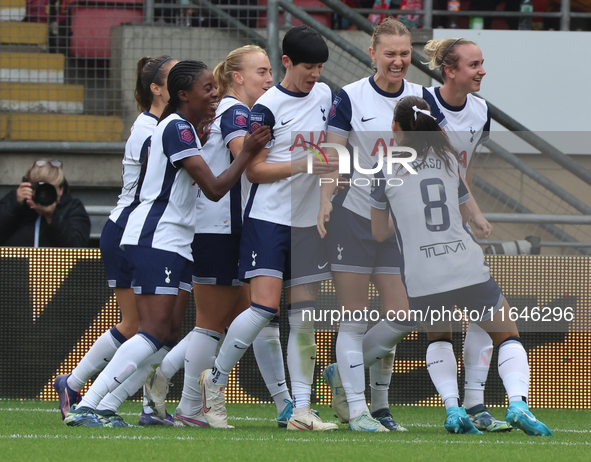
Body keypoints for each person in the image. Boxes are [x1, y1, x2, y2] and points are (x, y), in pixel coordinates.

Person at [64, 60, 271, 427]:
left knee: (167, 332)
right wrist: (248, 151)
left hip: (172, 240)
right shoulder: (176, 128)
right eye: (207, 89)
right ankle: (88, 403)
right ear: (182, 95)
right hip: (156, 237)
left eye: (215, 87)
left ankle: (109, 404)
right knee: (153, 330)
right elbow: (215, 188)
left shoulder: (183, 128)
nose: (215, 94)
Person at [369, 95, 552, 436]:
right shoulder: (448, 158)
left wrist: (403, 219)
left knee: (439, 337)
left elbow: (379, 233)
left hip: (422, 270)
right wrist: (479, 221)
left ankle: (454, 410)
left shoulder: (383, 166)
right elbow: (464, 202)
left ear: (395, 128)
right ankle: (517, 403)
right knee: (507, 334)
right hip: (463, 261)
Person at [199, 25, 339, 431]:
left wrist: (327, 197)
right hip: (269, 219)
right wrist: (303, 165)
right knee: (262, 309)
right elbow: (255, 172)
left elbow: (328, 149)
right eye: (308, 67)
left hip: (307, 222)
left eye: (320, 67)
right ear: (286, 63)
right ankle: (215, 382)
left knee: (303, 317)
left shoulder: (326, 95)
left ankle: (300, 409)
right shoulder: (267, 107)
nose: (315, 74)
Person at [151, 45, 295, 428]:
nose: (269, 79)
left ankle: (283, 403)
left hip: (231, 228)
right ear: (238, 77)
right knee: (212, 324)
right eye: (262, 72)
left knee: (258, 318)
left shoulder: (234, 111)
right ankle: (189, 405)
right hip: (219, 229)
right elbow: (244, 158)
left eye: (269, 71)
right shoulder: (235, 111)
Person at [317, 17, 445, 432]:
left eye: (405, 54)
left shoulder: (424, 97)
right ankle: (361, 410)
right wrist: (324, 201)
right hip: (354, 219)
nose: (398, 61)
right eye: (390, 53)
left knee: (403, 314)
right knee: (353, 317)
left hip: (400, 226)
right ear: (372, 53)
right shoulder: (350, 97)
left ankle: (343, 373)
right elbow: (332, 154)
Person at [53, 56, 179, 426]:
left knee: (155, 327)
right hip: (131, 228)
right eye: (175, 78)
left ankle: (88, 391)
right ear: (156, 88)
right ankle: (81, 390)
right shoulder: (149, 129)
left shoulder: (161, 124)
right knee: (140, 326)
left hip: (138, 227)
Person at [423, 38, 510, 432]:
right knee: (427, 319)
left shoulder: (479, 110)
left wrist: (471, 214)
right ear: (450, 70)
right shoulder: (420, 105)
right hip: (419, 225)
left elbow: (465, 168)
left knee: (484, 309)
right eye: (474, 64)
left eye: (482, 63)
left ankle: (474, 403)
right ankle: (356, 387)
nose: (482, 71)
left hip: (456, 224)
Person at [0, 159, 90, 248]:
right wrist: (14, 204)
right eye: (39, 188)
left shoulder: (72, 208)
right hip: (15, 262)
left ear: (61, 190)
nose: (44, 194)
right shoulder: (14, 202)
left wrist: (52, 217)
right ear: (28, 186)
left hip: (56, 263)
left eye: (50, 189)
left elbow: (76, 248)